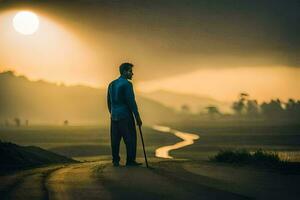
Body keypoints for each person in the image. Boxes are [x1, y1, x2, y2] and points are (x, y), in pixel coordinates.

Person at [107, 62, 143, 167]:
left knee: (115, 140)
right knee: (130, 138)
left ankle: (115, 160)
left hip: (114, 116)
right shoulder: (127, 84)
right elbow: (131, 102)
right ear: (124, 72)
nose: (132, 74)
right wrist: (137, 117)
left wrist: (113, 113)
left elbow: (109, 102)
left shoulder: (111, 84)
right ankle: (130, 161)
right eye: (130, 71)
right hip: (125, 116)